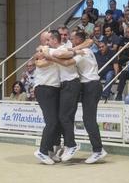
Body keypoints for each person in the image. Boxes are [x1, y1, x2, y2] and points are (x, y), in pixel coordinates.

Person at [45, 30, 107, 164]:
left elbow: (68, 63)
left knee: (88, 119)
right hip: (85, 86)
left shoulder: (84, 52)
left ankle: (98, 150)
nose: (71, 41)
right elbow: (88, 42)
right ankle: (67, 144)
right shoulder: (81, 48)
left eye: (73, 39)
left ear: (79, 40)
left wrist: (51, 57)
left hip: (91, 85)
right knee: (68, 116)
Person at [33, 51, 60, 165]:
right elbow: (38, 61)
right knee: (51, 122)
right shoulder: (43, 50)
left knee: (57, 122)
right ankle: (42, 151)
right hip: (44, 89)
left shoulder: (56, 50)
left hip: (55, 89)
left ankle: (49, 151)